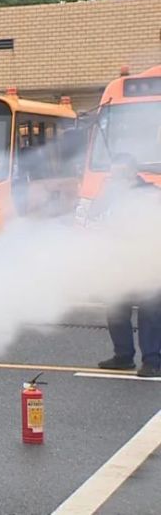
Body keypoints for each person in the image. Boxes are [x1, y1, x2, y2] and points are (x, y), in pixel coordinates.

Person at [95, 154, 161, 378]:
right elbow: (95, 220)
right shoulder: (110, 196)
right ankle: (123, 356)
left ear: (133, 173)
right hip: (117, 262)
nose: (116, 178)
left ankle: (152, 361)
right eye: (114, 174)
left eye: (121, 174)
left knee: (150, 313)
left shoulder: (151, 195)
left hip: (147, 262)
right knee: (116, 310)